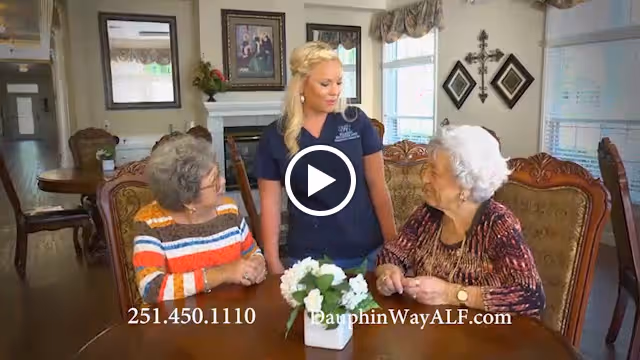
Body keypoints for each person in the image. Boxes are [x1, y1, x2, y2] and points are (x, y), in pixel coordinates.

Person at [256, 41, 397, 274]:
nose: (335, 91)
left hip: (367, 254)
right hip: (307, 261)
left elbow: (379, 187)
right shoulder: (274, 136)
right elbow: (269, 205)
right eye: (325, 84)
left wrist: (393, 247)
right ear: (301, 85)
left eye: (339, 82)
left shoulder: (356, 121)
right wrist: (272, 260)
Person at [375, 125, 545, 317]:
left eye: (434, 172)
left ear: (465, 185)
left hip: (485, 338)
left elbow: (531, 297)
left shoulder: (497, 225)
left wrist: (451, 294)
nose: (424, 178)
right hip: (433, 332)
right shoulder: (430, 212)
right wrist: (389, 274)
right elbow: (391, 254)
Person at [132, 136, 266, 304]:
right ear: (188, 199)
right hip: (181, 323)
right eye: (214, 181)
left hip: (233, 313)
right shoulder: (151, 223)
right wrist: (224, 273)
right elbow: (151, 289)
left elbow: (253, 253)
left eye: (219, 173)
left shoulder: (228, 210)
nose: (223, 181)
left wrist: (258, 264)